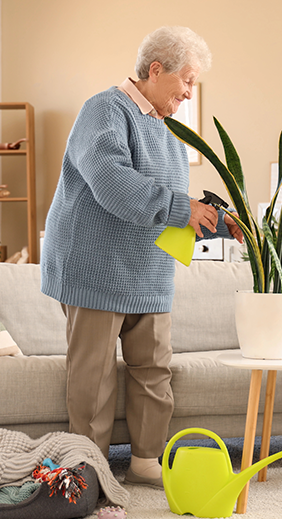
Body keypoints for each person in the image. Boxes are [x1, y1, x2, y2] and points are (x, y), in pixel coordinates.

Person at [40, 26, 243, 488]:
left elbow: (168, 206)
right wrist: (179, 207)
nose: (189, 94)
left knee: (155, 370)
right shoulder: (104, 111)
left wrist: (214, 222)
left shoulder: (168, 131)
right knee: (93, 377)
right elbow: (113, 185)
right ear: (156, 69)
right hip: (94, 268)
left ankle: (147, 460)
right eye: (187, 82)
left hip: (147, 274)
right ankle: (86, 470)